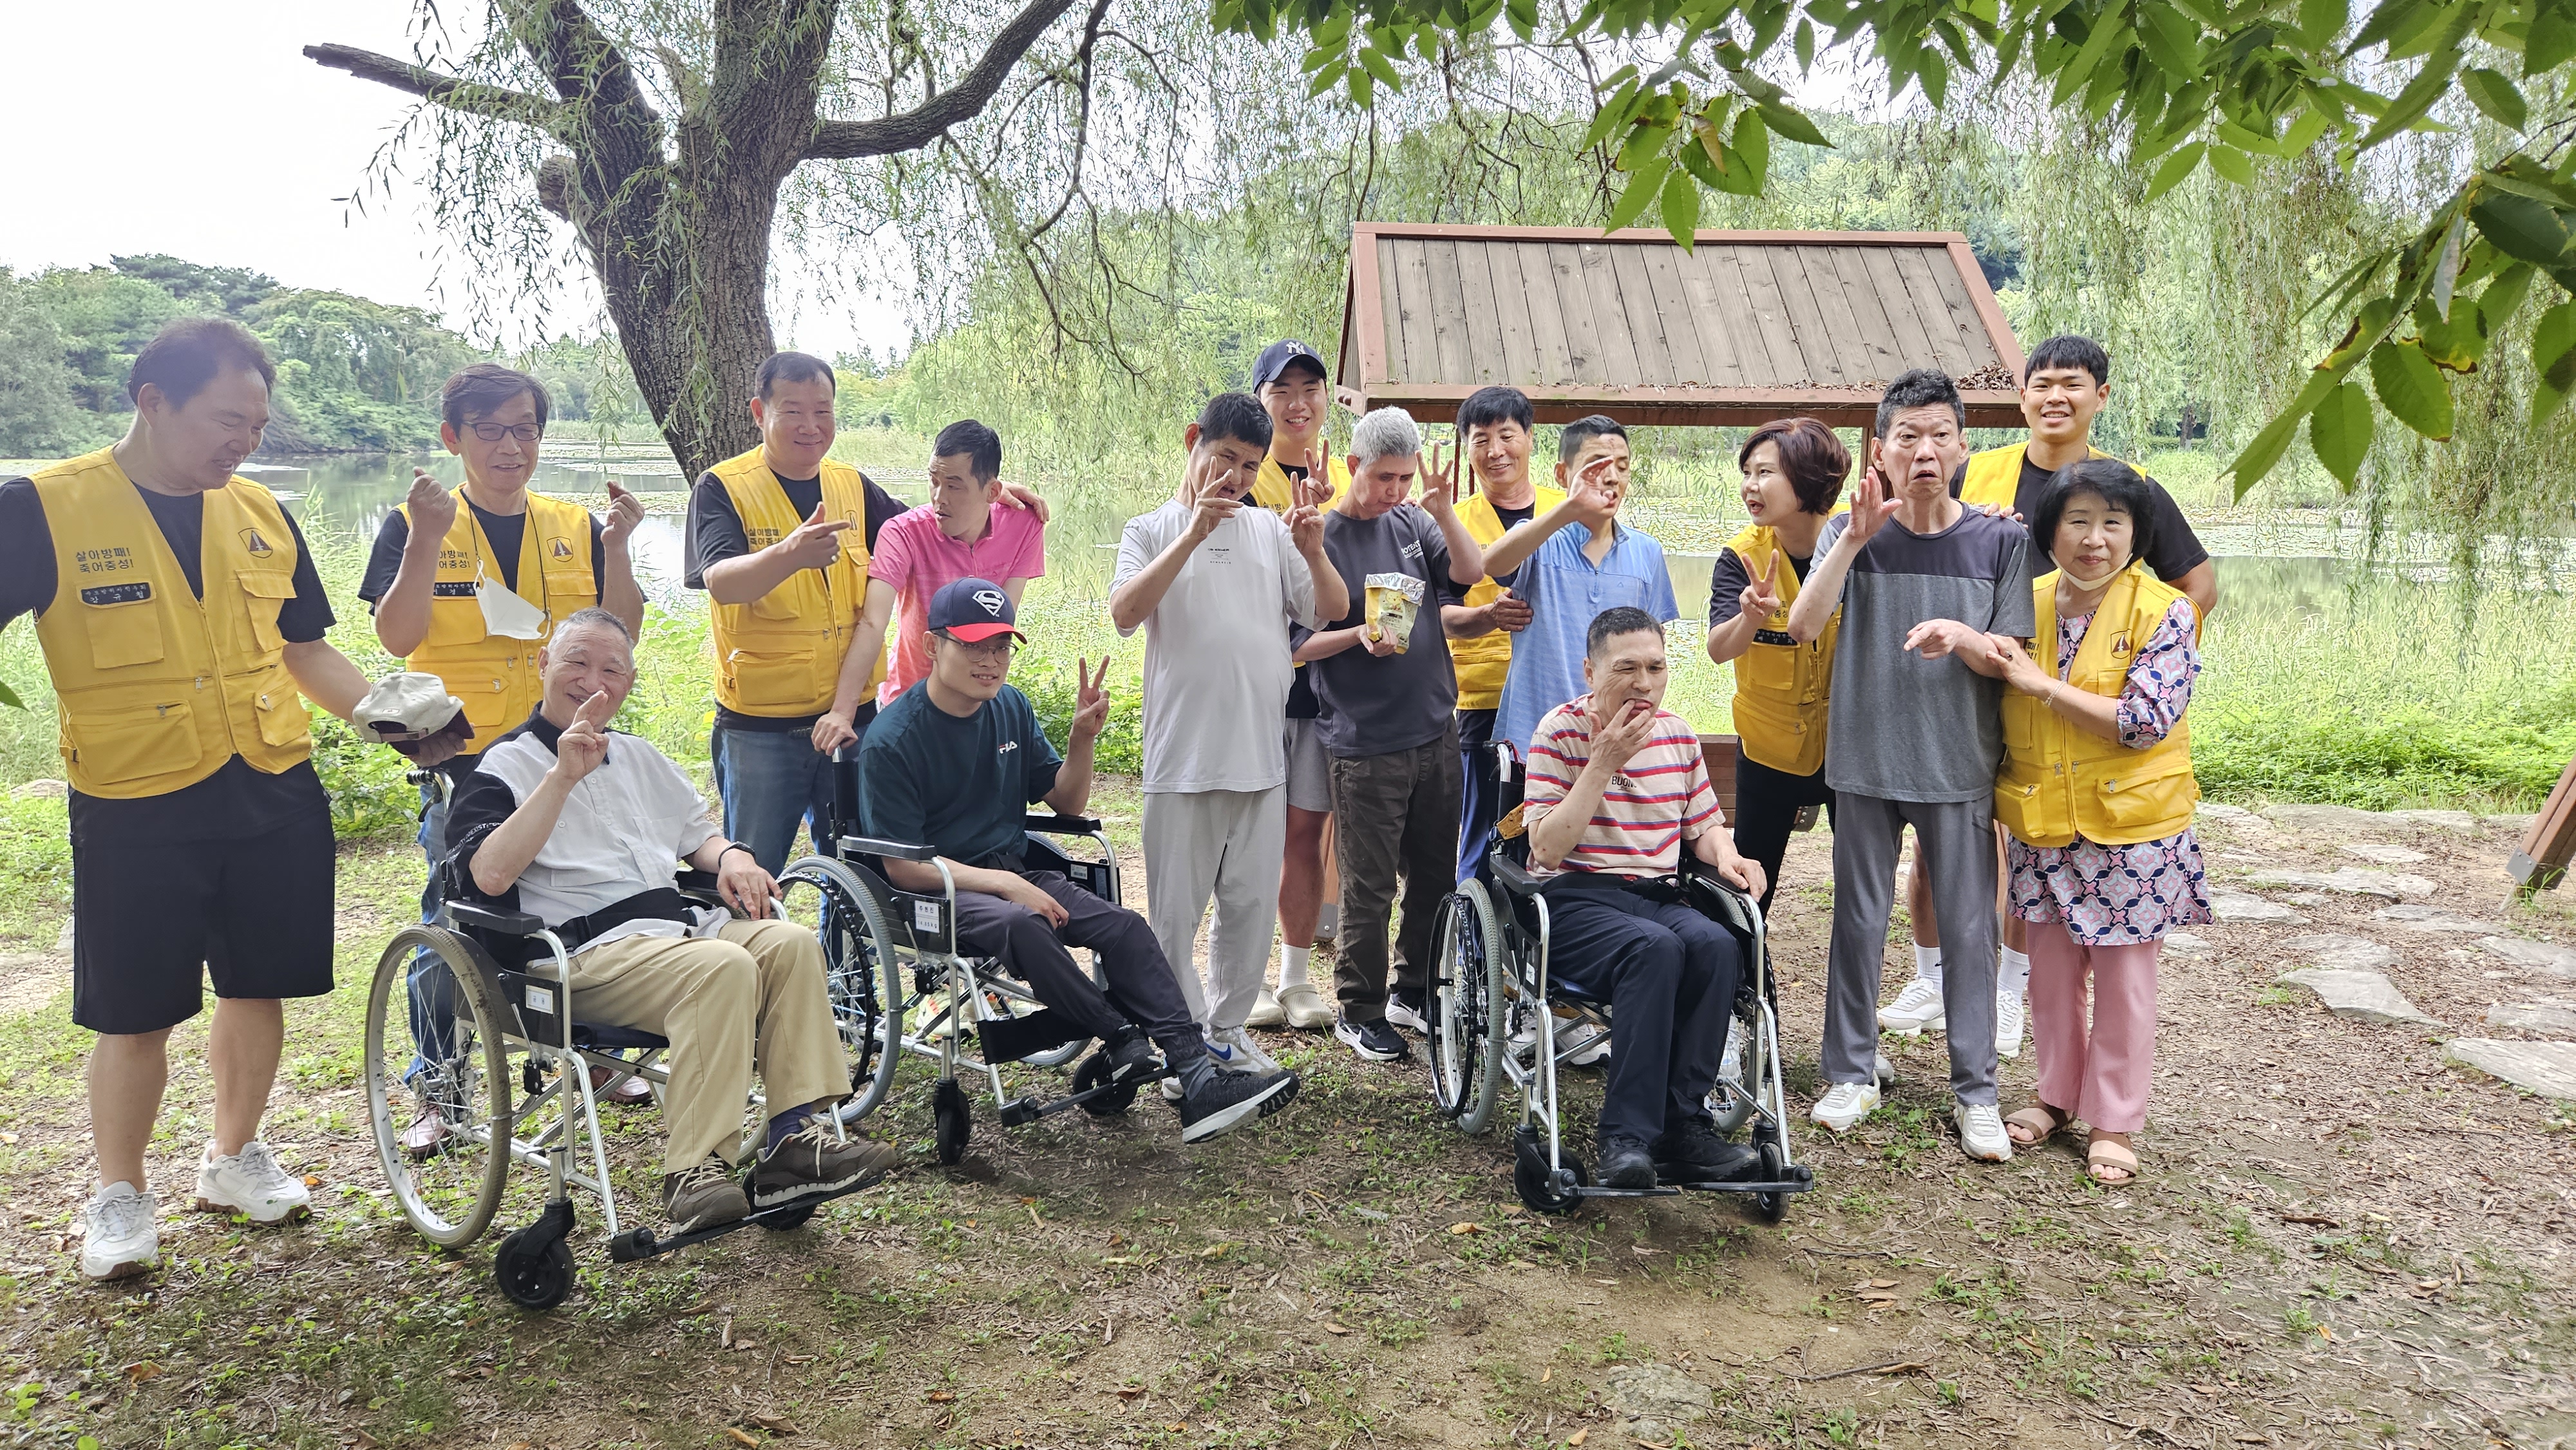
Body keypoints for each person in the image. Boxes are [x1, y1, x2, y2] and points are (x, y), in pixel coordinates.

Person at [1, 319, 380, 1280]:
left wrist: (389, 717)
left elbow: (304, 649)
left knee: (259, 984)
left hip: (271, 783)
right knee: (135, 1009)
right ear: (153, 401)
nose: (243, 441)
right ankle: (120, 1194)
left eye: (256, 425)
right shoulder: (42, 508)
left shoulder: (259, 510)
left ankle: (233, 1155)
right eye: (226, 420)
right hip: (135, 799)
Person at [446, 608, 902, 1231]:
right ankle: (693, 1170)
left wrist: (734, 857)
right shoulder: (503, 766)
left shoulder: (640, 756)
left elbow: (698, 835)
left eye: (611, 669)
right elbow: (490, 875)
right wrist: (561, 778)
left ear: (628, 683)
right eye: (576, 661)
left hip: (674, 934)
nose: (592, 681)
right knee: (721, 966)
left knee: (791, 943)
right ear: (544, 663)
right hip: (579, 955)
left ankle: (793, 1142)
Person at [857, 578, 1302, 1141]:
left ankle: (1197, 1079)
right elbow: (903, 868)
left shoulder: (1011, 707)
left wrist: (1081, 737)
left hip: (1012, 870)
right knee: (1023, 922)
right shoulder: (893, 738)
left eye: (1000, 646)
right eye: (972, 645)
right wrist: (1005, 885)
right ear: (931, 645)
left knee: (1126, 928)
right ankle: (1120, 1036)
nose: (990, 661)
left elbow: (1067, 802)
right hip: (937, 892)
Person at [1887, 334, 2222, 1053]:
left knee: (2026, 841)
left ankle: (2010, 989)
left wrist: (2147, 659)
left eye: (2072, 384)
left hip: (2067, 704)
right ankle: (1931, 977)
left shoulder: (2128, 485)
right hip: (1968, 679)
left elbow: (2197, 586)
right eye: (2041, 384)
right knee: (1940, 836)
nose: (2055, 398)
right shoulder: (1975, 469)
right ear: (2021, 397)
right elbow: (1917, 533)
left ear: (2102, 396)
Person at [361, 363, 651, 1153]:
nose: (509, 446)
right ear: (453, 437)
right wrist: (426, 537)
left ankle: (599, 1053)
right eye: (489, 429)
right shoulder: (416, 521)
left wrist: (618, 547)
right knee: (452, 919)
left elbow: (621, 630)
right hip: (466, 761)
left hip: (564, 749)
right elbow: (395, 634)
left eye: (524, 429)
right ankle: (437, 1084)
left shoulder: (572, 524)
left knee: (593, 896)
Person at [1907, 461, 2209, 1185]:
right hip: (2044, 824)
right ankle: (2056, 1097)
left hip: (2131, 830)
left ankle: (2114, 1119)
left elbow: (2143, 720)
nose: (2094, 539)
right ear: (2049, 531)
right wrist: (1961, 634)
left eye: (2112, 523)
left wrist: (2041, 685)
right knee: (2049, 975)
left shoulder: (2165, 611)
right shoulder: (2029, 598)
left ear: (2136, 535)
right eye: (2077, 521)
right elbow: (1995, 663)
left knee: (2124, 982)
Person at [1782, 368, 2032, 1163]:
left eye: (1938, 435)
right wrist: (1853, 538)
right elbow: (1801, 624)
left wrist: (1964, 637)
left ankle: (1977, 1091)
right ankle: (1850, 1072)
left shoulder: (2001, 539)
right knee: (1857, 921)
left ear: (1962, 447)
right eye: (1907, 436)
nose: (1924, 451)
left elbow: (2011, 656)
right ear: (1879, 450)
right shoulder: (1850, 531)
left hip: (1957, 762)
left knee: (1969, 928)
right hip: (1864, 756)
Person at [1109, 395, 1348, 1074]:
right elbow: (1125, 613)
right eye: (1225, 459)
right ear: (1194, 440)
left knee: (1247, 911)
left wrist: (1314, 548)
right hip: (1181, 760)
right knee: (1173, 918)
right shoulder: (1150, 529)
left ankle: (1226, 1029)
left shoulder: (1269, 529)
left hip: (1260, 759)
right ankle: (1183, 1046)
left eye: (1250, 466)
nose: (1237, 478)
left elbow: (1329, 608)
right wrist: (1192, 533)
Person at [1522, 608, 1771, 1188]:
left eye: (1656, 668)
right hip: (1575, 899)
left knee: (1715, 945)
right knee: (1654, 948)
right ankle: (1626, 1138)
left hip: (1655, 895)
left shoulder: (1678, 736)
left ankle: (1682, 1127)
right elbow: (1548, 849)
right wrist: (1602, 762)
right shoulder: (1558, 732)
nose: (1644, 683)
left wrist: (1729, 855)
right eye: (1626, 668)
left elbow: (1703, 827)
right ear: (1591, 672)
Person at [1293, 408, 1485, 1063]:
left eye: (1404, 478)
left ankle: (1415, 990)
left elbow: (1468, 572)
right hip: (1364, 740)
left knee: (1434, 874)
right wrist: (1358, 636)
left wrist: (1444, 510)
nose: (1394, 491)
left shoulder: (1413, 523)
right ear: (1354, 465)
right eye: (1383, 478)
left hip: (1434, 729)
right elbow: (1296, 646)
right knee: (1369, 886)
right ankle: (1361, 1008)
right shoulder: (1321, 533)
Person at [683, 351, 896, 875]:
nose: (810, 426)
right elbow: (720, 582)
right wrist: (789, 554)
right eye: (793, 411)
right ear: (760, 412)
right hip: (762, 730)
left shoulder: (853, 485)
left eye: (822, 411)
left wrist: (987, 497)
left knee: (859, 870)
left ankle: (842, 937)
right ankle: (754, 935)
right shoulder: (723, 486)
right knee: (753, 871)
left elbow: (923, 534)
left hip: (852, 718)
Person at [1475, 415, 1681, 773]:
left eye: (1622, 467)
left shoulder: (1646, 551)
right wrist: (1569, 508)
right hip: (1533, 737)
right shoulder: (1538, 539)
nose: (1611, 477)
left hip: (1615, 736)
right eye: (1596, 466)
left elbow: (1652, 645)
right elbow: (1493, 563)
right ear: (1562, 474)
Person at [1703, 418, 1850, 916]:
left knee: (1860, 882)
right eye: (1747, 472)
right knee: (1748, 886)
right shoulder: (1742, 556)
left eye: (1765, 473)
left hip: (1852, 748)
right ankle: (1743, 965)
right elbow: (1719, 649)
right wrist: (1748, 617)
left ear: (1809, 477)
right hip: (1769, 749)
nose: (1750, 485)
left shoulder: (1858, 541)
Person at [1244, 340, 1345, 1031]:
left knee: (1306, 831)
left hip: (1319, 688)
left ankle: (1296, 977)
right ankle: (1244, 974)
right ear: (1261, 401)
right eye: (1282, 391)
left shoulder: (1340, 475)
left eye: (1310, 388)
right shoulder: (1243, 477)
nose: (1298, 403)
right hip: (1256, 682)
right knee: (1247, 831)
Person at [1446, 386, 1562, 883]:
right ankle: (1472, 924)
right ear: (1466, 448)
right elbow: (1440, 615)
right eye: (1481, 440)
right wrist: (1488, 616)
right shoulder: (1454, 522)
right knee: (1483, 829)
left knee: (1559, 829)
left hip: (1562, 695)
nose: (1496, 451)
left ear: (1531, 438)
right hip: (1485, 698)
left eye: (1507, 436)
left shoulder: (1567, 511)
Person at [855, 419, 1049, 715]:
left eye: (954, 486)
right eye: (934, 481)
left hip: (977, 704)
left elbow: (1000, 625)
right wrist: (843, 711)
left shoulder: (1025, 523)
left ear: (993, 492)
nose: (938, 498)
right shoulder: (904, 532)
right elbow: (872, 623)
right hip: (909, 700)